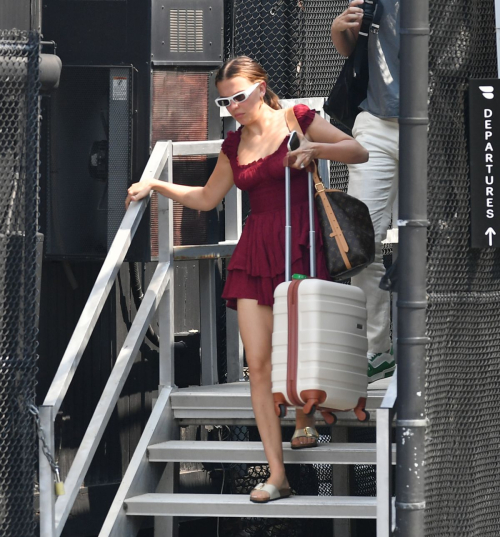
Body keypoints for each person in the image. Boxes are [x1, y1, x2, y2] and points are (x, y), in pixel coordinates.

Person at [126, 56, 368, 503]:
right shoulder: (233, 142)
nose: (233, 106)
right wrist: (157, 185)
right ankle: (277, 475)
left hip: (301, 239)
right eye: (225, 100)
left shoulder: (297, 118)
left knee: (297, 343)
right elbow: (207, 197)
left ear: (260, 87)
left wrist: (315, 149)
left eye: (239, 95)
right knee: (257, 362)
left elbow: (358, 151)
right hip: (256, 246)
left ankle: (304, 418)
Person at [331, 0, 399, 382]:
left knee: (437, 242)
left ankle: (439, 349)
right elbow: (350, 47)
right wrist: (339, 29)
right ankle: (377, 352)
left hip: (435, 122)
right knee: (359, 241)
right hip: (376, 122)